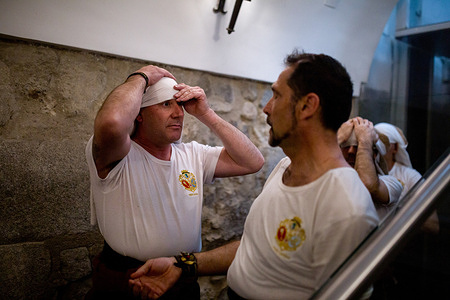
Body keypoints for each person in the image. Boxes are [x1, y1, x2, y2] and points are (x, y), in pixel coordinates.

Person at [129, 51, 379, 300]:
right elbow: (254, 248)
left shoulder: (346, 206)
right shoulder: (284, 168)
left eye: (277, 95)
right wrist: (182, 264)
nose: (266, 108)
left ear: (307, 106)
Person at [85, 65, 264, 299]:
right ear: (139, 113)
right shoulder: (120, 155)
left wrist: (205, 113)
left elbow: (253, 162)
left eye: (179, 105)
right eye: (166, 104)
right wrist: (141, 78)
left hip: (180, 274)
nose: (179, 113)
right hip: (128, 278)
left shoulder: (192, 154)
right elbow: (112, 123)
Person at [374, 122, 439, 233]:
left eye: (383, 143)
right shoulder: (363, 173)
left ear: (395, 147)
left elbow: (432, 223)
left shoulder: (410, 176)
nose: (377, 148)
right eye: (374, 144)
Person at [337, 117, 403, 221]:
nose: (351, 151)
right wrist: (337, 138)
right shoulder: (333, 181)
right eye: (345, 145)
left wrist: (364, 141)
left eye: (357, 146)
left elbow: (367, 185)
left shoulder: (392, 184)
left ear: (374, 154)